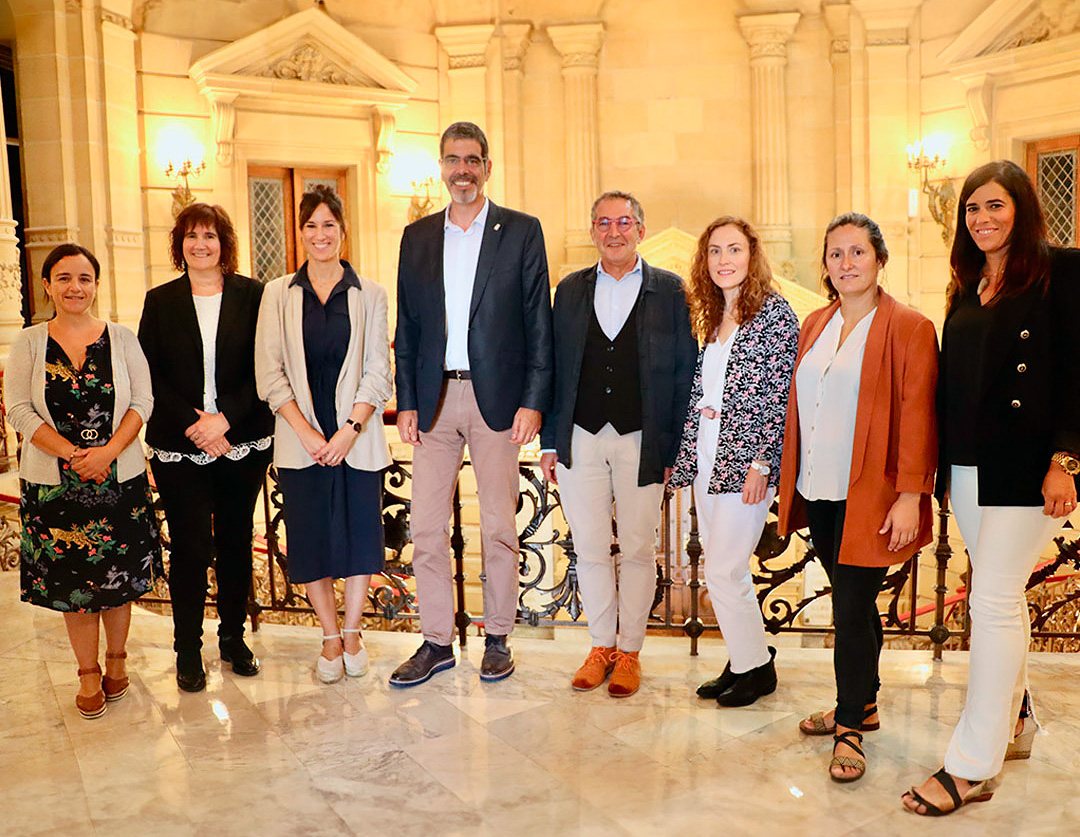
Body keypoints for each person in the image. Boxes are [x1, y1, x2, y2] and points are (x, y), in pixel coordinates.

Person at [903, 161, 1080, 816]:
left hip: (1029, 467)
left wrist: (1067, 460)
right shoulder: (967, 284)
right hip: (970, 467)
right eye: (973, 208)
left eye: (995, 205)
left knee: (993, 599)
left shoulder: (1061, 271)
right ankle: (1018, 719)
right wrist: (941, 471)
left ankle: (972, 764)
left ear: (1022, 209)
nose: (982, 218)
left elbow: (1077, 372)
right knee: (1000, 599)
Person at [777, 213, 938, 782]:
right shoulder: (815, 323)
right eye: (836, 254)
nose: (846, 263)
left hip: (871, 494)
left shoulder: (909, 327)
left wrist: (911, 495)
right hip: (818, 488)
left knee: (848, 610)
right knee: (856, 602)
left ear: (879, 260)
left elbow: (919, 416)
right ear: (825, 265)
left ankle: (849, 727)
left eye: (857, 252)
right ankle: (864, 702)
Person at [392, 121, 553, 686]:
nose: (462, 170)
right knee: (425, 527)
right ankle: (437, 641)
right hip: (433, 399)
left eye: (472, 160)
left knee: (499, 525)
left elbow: (538, 322)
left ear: (487, 167)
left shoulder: (522, 231)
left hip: (499, 401)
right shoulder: (416, 237)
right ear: (442, 167)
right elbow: (407, 327)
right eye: (452, 160)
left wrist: (533, 401)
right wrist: (405, 400)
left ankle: (498, 637)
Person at [539, 191, 696, 697]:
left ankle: (630, 651)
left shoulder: (669, 290)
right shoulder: (570, 289)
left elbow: (684, 374)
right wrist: (549, 440)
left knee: (637, 549)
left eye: (624, 222)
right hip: (580, 436)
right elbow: (553, 368)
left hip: (642, 438)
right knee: (588, 548)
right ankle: (600, 646)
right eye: (604, 222)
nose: (614, 231)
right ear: (593, 231)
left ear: (640, 230)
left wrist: (673, 448)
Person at [5, 244, 162, 719]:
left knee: (119, 580)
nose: (76, 287)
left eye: (85, 278)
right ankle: (88, 672)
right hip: (55, 485)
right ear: (47, 285)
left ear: (96, 284)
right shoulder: (29, 342)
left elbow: (143, 401)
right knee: (75, 586)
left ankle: (117, 661)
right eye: (65, 278)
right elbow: (18, 409)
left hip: (119, 479)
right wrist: (73, 455)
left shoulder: (122, 338)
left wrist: (108, 454)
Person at [255, 185, 392, 684]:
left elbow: (378, 371)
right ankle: (330, 637)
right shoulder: (277, 294)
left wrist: (349, 431)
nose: (320, 234)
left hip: (357, 440)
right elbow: (269, 373)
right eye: (310, 225)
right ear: (300, 233)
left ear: (343, 230)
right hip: (301, 442)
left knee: (360, 539)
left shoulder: (370, 294)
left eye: (328, 225)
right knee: (311, 540)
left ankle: (353, 633)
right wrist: (308, 434)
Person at [138, 203, 274, 693]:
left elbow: (267, 365)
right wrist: (195, 425)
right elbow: (149, 373)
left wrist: (225, 420)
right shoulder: (160, 301)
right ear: (180, 244)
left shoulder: (254, 296)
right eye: (192, 236)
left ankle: (233, 639)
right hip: (180, 443)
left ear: (224, 243)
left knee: (236, 543)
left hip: (242, 438)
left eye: (210, 236)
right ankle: (188, 649)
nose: (201, 244)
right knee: (191, 547)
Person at [668, 216, 798, 706]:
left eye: (734, 249)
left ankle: (756, 669)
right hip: (707, 452)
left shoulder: (774, 314)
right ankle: (743, 659)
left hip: (746, 460)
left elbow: (781, 395)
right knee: (723, 569)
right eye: (715, 251)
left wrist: (763, 464)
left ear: (752, 255)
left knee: (725, 568)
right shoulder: (710, 314)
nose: (724, 260)